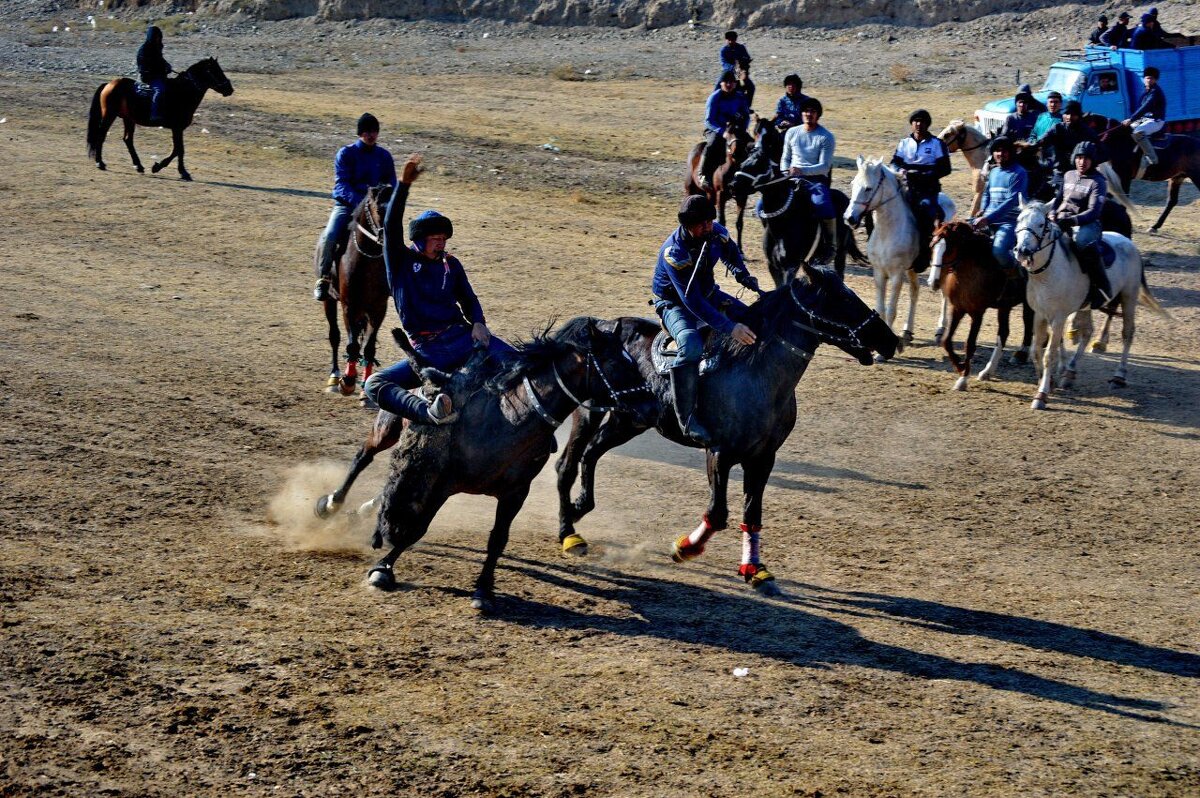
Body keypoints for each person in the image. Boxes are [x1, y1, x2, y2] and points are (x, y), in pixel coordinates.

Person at [362, 154, 514, 426]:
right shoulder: (400, 262)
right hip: (428, 351)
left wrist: (479, 322)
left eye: (443, 239)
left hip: (464, 339)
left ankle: (535, 427)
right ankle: (429, 413)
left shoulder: (451, 264)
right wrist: (403, 185)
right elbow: (391, 225)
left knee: (521, 364)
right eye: (435, 239)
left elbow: (468, 298)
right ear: (420, 241)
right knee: (374, 384)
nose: (441, 244)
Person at [653, 195, 761, 446]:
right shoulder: (674, 253)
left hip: (708, 294)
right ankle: (686, 419)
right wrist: (729, 327)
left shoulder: (714, 232)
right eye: (702, 224)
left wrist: (740, 273)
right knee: (690, 345)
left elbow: (731, 251)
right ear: (688, 225)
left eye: (710, 221)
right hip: (675, 304)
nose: (709, 227)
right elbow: (691, 301)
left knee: (755, 321)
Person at [313, 113, 397, 301]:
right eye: (367, 131)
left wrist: (389, 200)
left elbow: (392, 183)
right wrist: (359, 201)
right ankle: (324, 277)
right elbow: (341, 184)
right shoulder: (346, 154)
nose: (371, 135)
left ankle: (394, 278)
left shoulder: (384, 156)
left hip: (375, 208)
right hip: (347, 206)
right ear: (360, 133)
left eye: (374, 131)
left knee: (392, 237)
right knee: (330, 235)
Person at [1051, 142, 1113, 308]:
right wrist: (1051, 212)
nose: (1082, 162)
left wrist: (1072, 221)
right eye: (1079, 157)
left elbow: (1094, 211)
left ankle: (1100, 288)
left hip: (1088, 224)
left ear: (1093, 161)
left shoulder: (1098, 182)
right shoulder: (1069, 175)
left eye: (1086, 158)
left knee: (1082, 242)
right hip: (1063, 220)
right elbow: (1058, 199)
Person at [891, 109, 951, 272]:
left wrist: (925, 175)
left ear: (927, 124)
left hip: (927, 189)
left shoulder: (937, 144)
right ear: (912, 124)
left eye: (922, 121)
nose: (918, 124)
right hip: (906, 186)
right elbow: (895, 162)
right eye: (915, 121)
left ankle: (923, 254)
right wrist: (900, 171)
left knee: (925, 213)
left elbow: (945, 168)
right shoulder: (904, 143)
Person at [780, 97, 837, 257]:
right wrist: (786, 171)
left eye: (812, 111)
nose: (808, 114)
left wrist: (801, 170)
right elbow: (785, 158)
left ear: (818, 115)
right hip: (791, 177)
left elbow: (824, 166)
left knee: (823, 205)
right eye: (806, 111)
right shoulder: (791, 132)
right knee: (763, 204)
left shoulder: (826, 137)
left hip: (815, 180)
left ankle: (831, 245)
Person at [970, 137, 1028, 275]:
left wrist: (987, 218)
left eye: (1004, 151)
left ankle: (1017, 274)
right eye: (996, 151)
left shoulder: (1019, 173)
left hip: (1009, 222)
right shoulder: (994, 171)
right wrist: (983, 209)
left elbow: (1011, 201)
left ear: (1011, 152)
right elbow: (986, 194)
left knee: (999, 250)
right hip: (988, 219)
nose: (1000, 154)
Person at [1032, 100, 1100, 196]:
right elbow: (1042, 142)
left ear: (1079, 116)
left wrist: (1087, 164)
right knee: (1041, 196)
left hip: (1081, 175)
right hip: (1060, 172)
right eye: (1066, 114)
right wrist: (1029, 146)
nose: (1069, 117)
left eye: (1073, 115)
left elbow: (1102, 152)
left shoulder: (1088, 132)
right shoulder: (1057, 128)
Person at [699, 71, 751, 191]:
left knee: (750, 144)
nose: (728, 84)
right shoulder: (714, 97)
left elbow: (746, 116)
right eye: (726, 82)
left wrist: (743, 127)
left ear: (734, 84)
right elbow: (709, 120)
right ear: (721, 83)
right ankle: (703, 174)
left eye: (731, 82)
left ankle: (750, 174)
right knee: (712, 144)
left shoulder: (740, 97)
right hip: (716, 129)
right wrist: (722, 132)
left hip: (735, 128)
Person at [1124, 65, 1167, 167]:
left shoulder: (1155, 93)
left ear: (1155, 80)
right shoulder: (1146, 91)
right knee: (1127, 129)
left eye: (1151, 78)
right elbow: (1141, 108)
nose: (1148, 80)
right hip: (1146, 119)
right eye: (1147, 78)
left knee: (1138, 132)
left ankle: (1152, 158)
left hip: (1156, 121)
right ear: (1144, 79)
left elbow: (1145, 108)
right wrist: (1131, 121)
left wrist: (1131, 119)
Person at [136, 25, 171, 124]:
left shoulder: (156, 48)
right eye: (156, 37)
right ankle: (154, 114)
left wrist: (167, 66)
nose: (158, 39)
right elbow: (143, 67)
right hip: (148, 77)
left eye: (159, 37)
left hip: (158, 76)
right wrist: (158, 73)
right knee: (160, 90)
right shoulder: (144, 50)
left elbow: (160, 60)